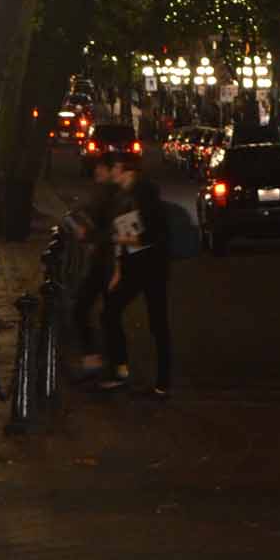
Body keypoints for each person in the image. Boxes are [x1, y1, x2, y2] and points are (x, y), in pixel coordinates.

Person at [101, 153, 171, 396]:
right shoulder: (123, 196)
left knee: (157, 321)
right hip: (133, 266)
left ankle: (163, 379)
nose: (110, 174)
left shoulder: (145, 194)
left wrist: (122, 239)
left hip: (151, 266)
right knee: (111, 311)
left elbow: (151, 235)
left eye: (113, 169)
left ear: (122, 169)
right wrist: (118, 270)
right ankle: (120, 369)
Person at [71, 150, 121, 377]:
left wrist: (89, 234)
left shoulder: (119, 197)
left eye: (101, 167)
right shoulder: (104, 193)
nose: (96, 171)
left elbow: (125, 234)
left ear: (112, 171)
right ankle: (101, 363)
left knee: (102, 314)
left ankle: (111, 367)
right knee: (92, 311)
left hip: (110, 263)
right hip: (102, 260)